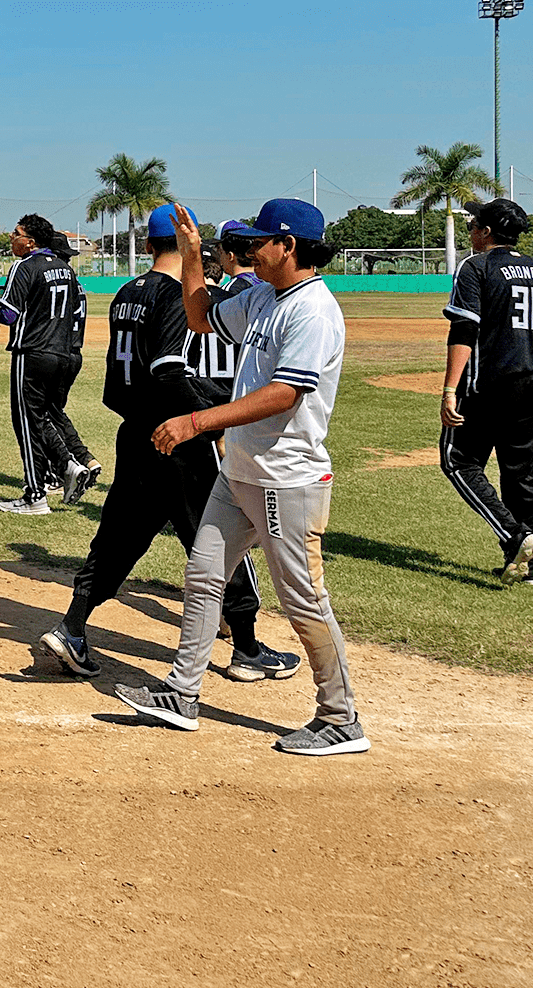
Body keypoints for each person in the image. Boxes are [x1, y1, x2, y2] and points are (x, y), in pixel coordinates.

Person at [117, 200, 366, 756]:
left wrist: (196, 421)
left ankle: (341, 719)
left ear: (289, 247)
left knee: (303, 600)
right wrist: (191, 258)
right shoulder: (264, 295)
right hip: (241, 471)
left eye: (258, 242)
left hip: (287, 478)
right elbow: (203, 316)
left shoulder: (314, 311)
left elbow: (286, 392)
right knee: (204, 576)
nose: (248, 251)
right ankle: (182, 693)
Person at [34, 204, 297, 682]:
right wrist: (201, 421)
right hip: (176, 435)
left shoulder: (126, 292)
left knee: (120, 534)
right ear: (183, 242)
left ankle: (73, 627)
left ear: (149, 242)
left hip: (135, 430)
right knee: (217, 537)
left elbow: (117, 384)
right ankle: (247, 648)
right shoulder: (176, 295)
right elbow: (169, 370)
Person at [439, 197, 533, 586]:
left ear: (485, 232)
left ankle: (515, 538)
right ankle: (532, 573)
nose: (471, 232)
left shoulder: (475, 267)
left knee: (458, 461)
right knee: (523, 476)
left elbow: (463, 329)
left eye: (472, 226)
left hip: (488, 386)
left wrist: (450, 389)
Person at [0, 214, 98, 514]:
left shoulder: (24, 265)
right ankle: (67, 466)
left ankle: (35, 495)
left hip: (31, 352)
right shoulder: (66, 271)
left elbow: (9, 315)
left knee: (27, 422)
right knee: (44, 417)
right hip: (62, 353)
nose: (12, 237)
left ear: (31, 242)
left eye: (16, 233)